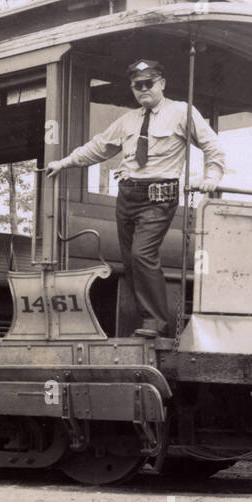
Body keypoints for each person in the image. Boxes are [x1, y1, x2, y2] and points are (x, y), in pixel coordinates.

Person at [47, 59, 226, 338]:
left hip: (158, 198)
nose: (143, 90)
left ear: (162, 84)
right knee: (131, 262)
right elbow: (99, 147)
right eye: (137, 85)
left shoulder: (182, 112)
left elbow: (212, 146)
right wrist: (65, 162)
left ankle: (156, 322)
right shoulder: (128, 120)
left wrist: (212, 177)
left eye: (148, 83)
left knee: (142, 254)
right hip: (127, 196)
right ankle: (141, 322)